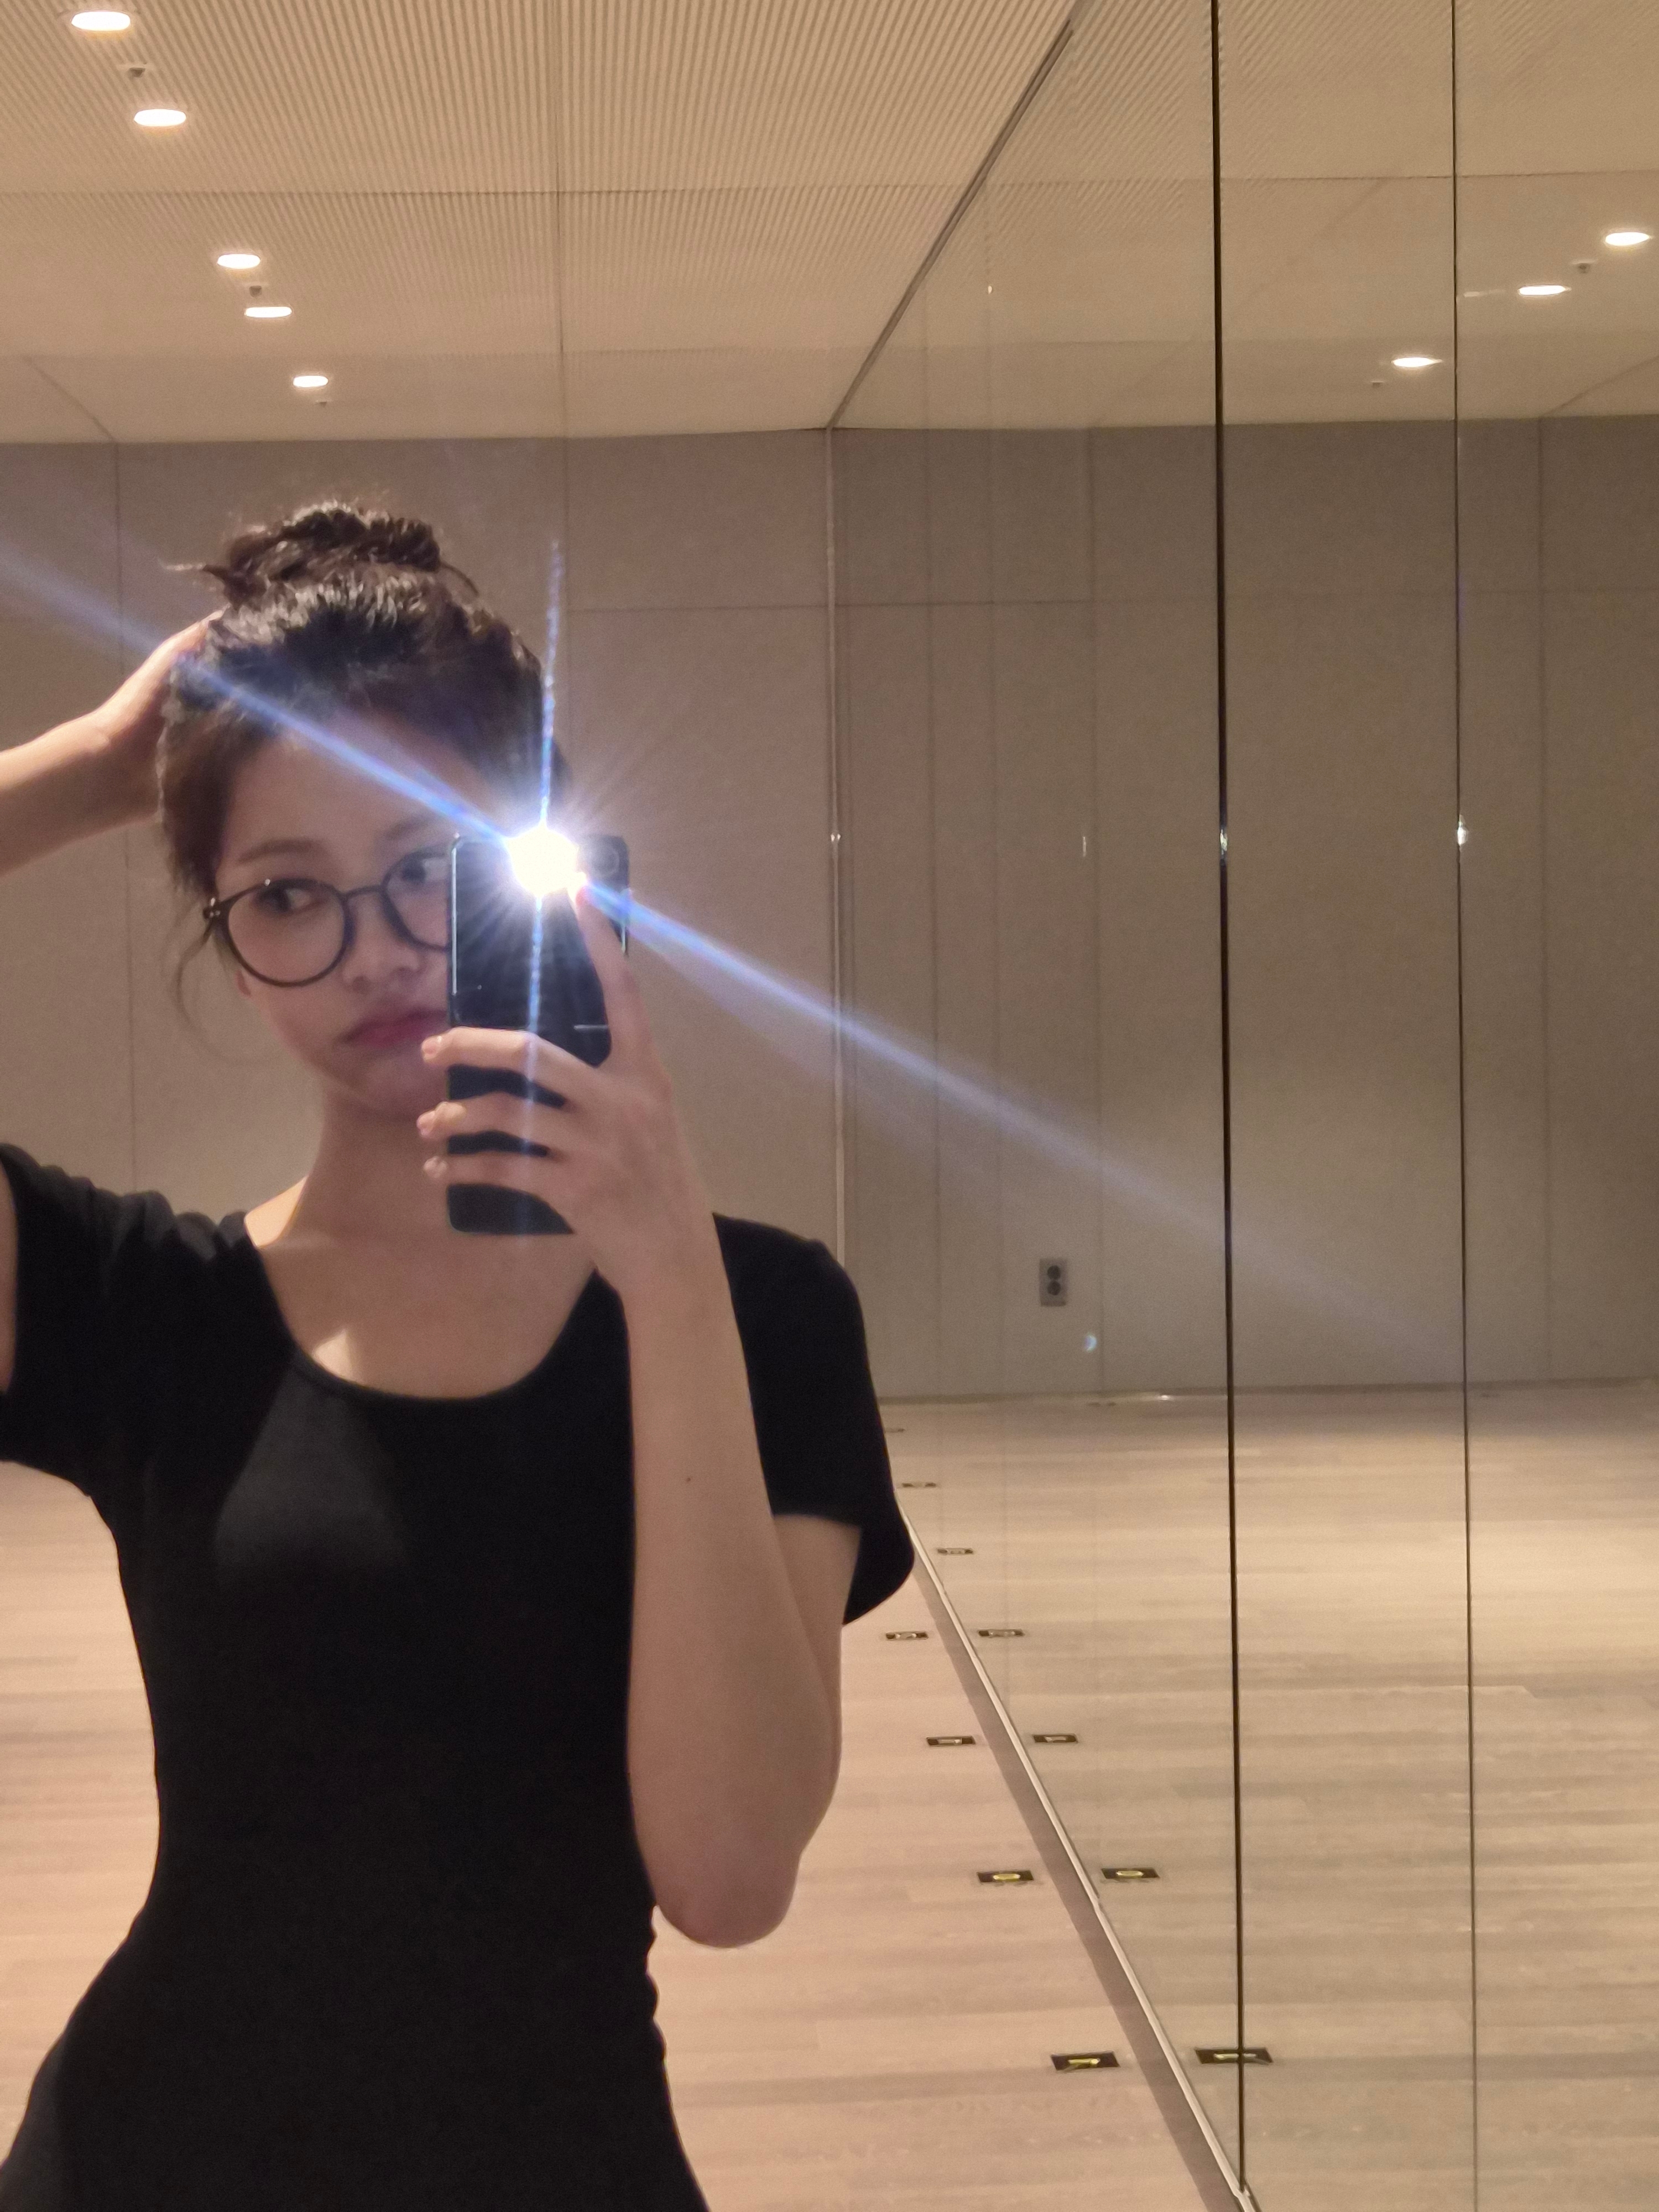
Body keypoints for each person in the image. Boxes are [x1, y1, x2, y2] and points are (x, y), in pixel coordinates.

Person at [0, 503, 914, 2211]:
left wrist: (667, 1270)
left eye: (431, 867)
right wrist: (101, 769)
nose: (380, 950)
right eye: (288, 894)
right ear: (226, 938)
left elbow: (727, 1877)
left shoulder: (764, 1313)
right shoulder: (134, 1303)